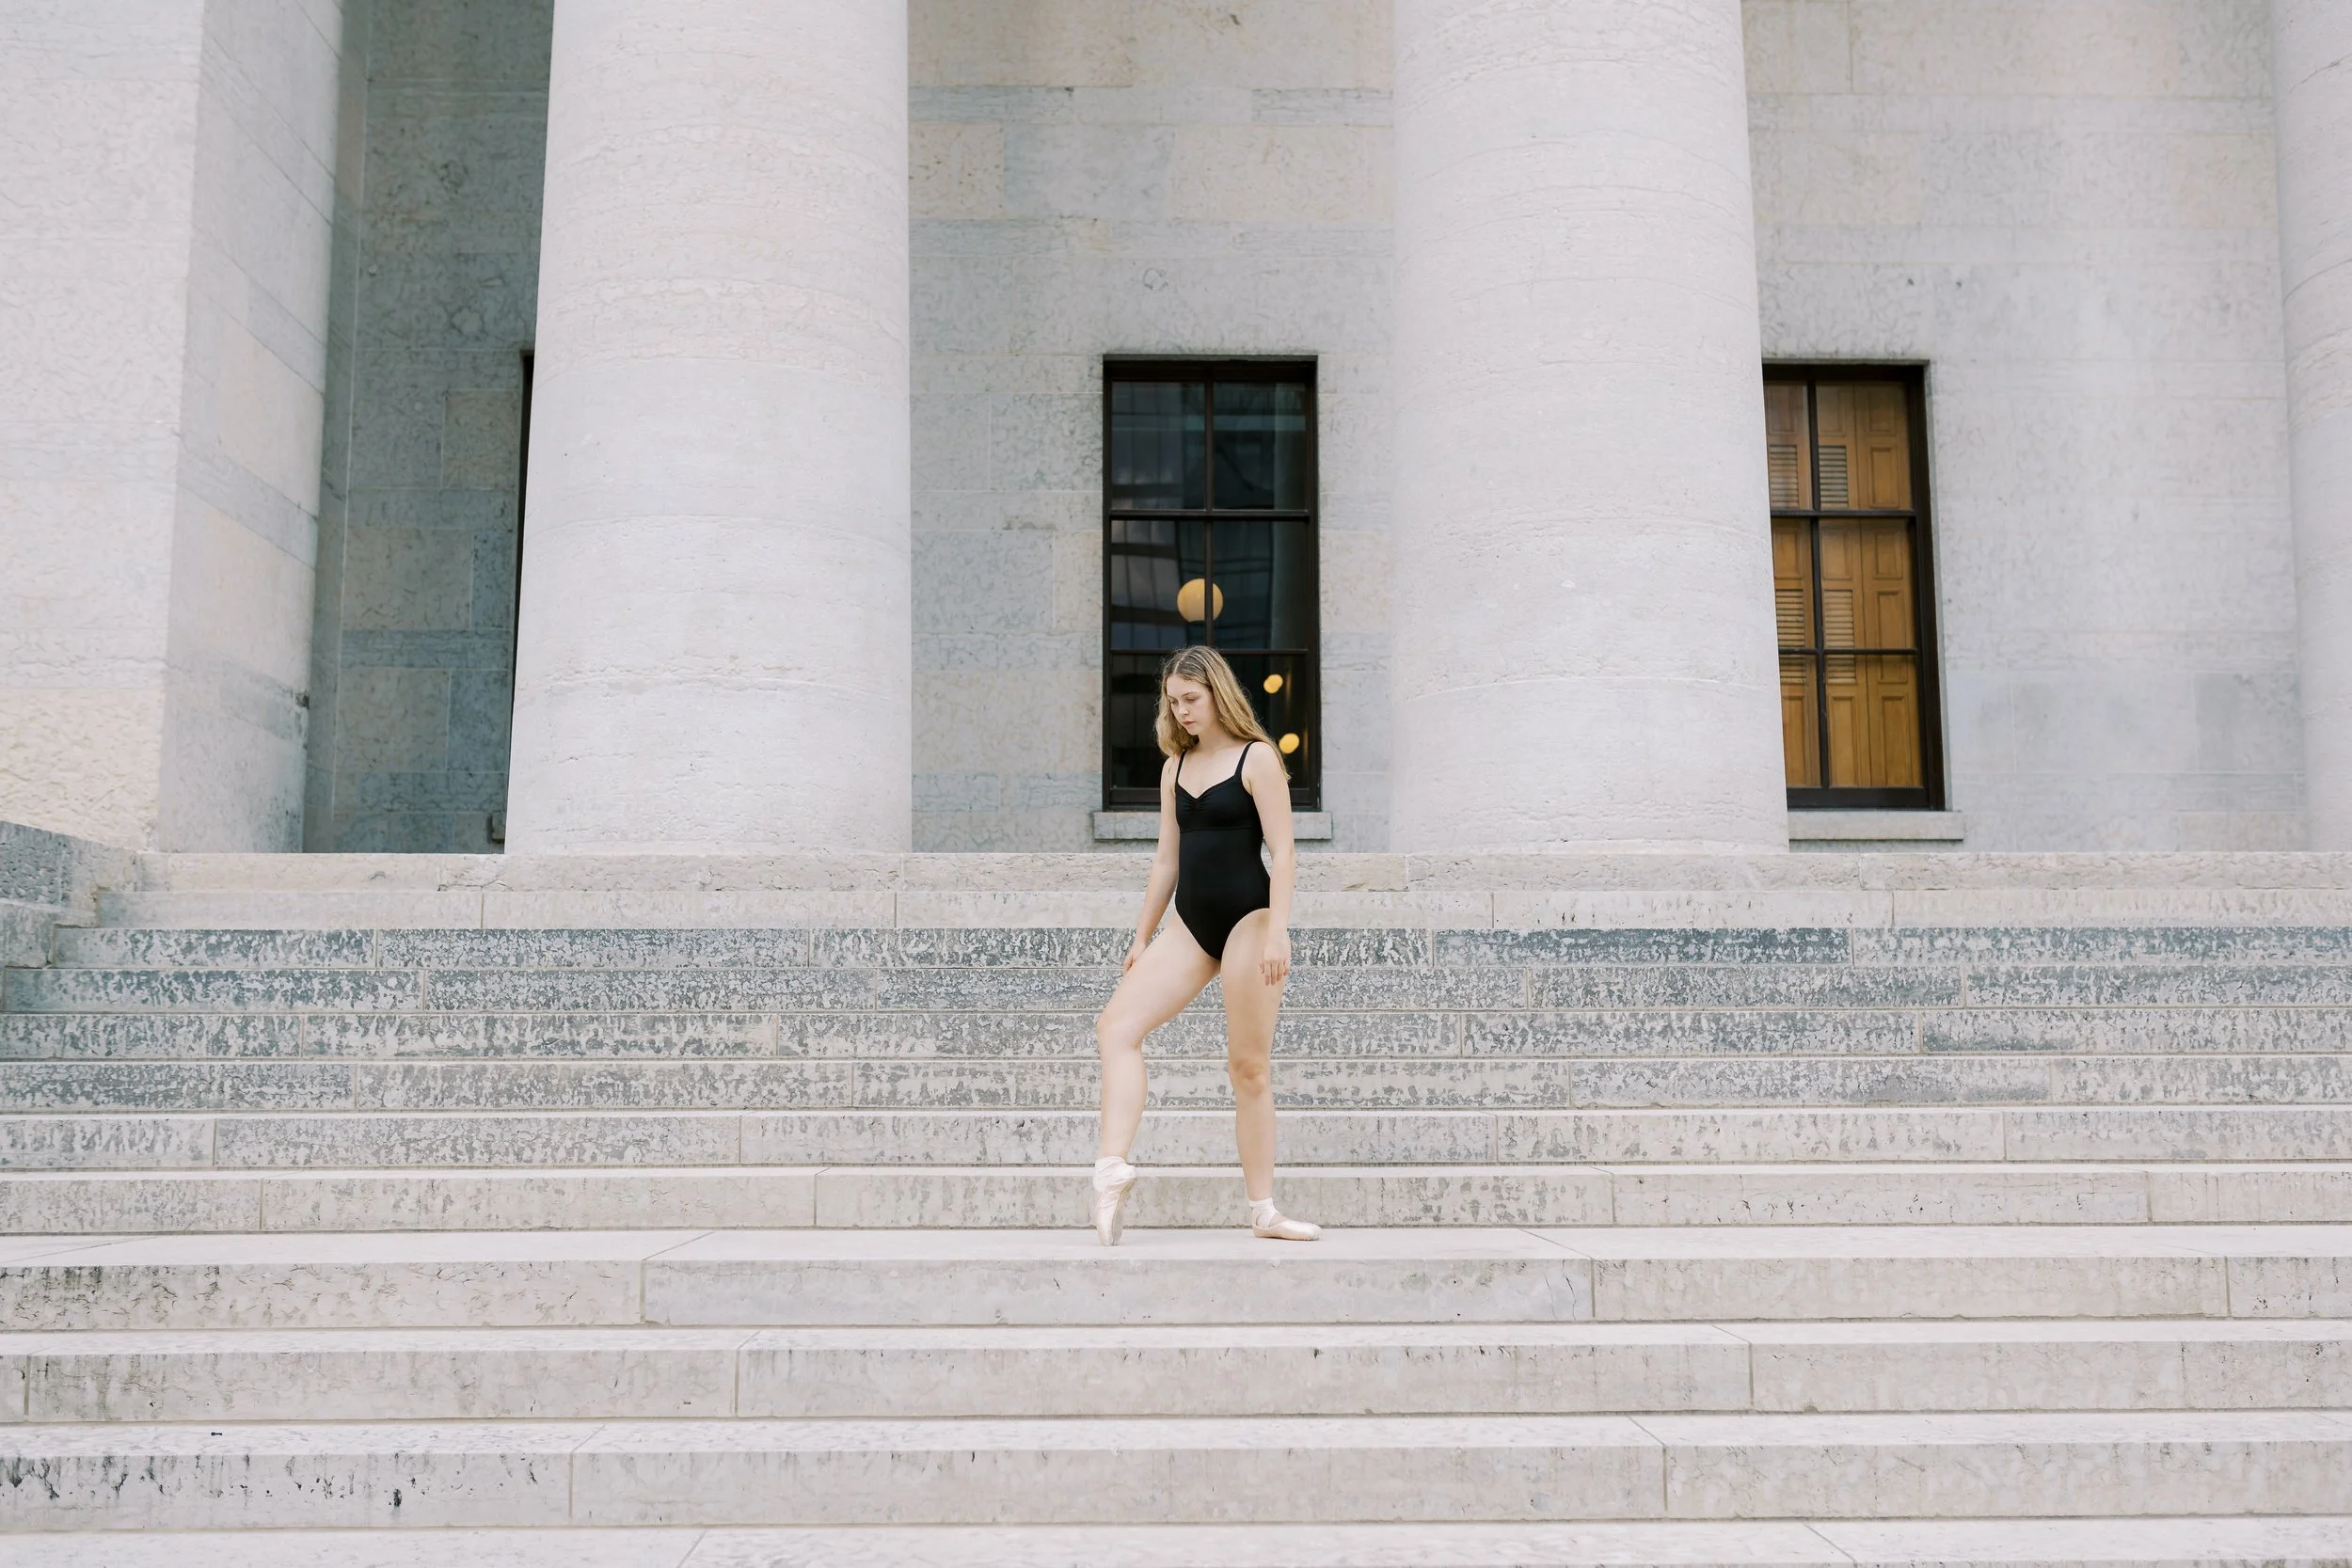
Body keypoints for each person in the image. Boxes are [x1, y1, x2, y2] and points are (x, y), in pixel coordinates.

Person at [1089, 644, 1321, 1245]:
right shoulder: (1175, 766)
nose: (1182, 711)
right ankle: (1111, 1169)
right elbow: (1167, 858)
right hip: (1191, 925)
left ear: (1218, 694)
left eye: (1191, 699)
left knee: (1247, 1067)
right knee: (1115, 1027)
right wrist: (1142, 937)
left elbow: (1286, 851)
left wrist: (1278, 928)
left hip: (1249, 918)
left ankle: (1264, 1210)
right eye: (1173, 702)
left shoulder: (1257, 758)